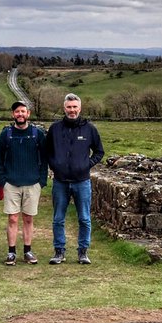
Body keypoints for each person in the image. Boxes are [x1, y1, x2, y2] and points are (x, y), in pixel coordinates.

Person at [45, 92, 104, 265]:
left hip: (82, 181)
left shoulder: (89, 129)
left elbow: (99, 151)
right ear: (64, 108)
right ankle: (59, 251)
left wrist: (87, 164)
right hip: (60, 182)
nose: (72, 110)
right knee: (58, 218)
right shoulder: (55, 129)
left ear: (80, 108)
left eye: (75, 107)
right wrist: (54, 164)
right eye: (69, 107)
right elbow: (47, 151)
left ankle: (83, 252)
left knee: (84, 218)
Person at [0, 100, 47, 265]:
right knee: (12, 218)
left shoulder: (37, 134)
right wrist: (2, 181)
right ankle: (11, 252)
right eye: (17, 112)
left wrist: (42, 181)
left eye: (23, 111)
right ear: (13, 114)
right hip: (11, 182)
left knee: (28, 219)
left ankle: (27, 251)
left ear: (28, 114)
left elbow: (44, 159)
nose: (20, 114)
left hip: (32, 183)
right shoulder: (6, 134)